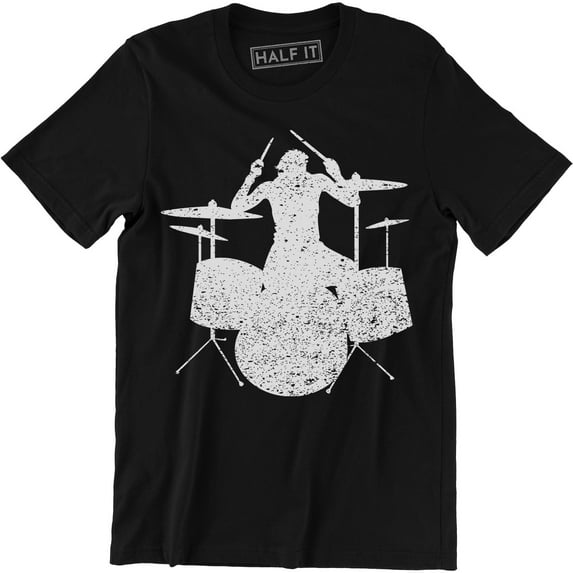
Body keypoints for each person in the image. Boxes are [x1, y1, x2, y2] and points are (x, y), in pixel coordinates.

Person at [232, 149, 359, 292]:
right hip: (283, 254)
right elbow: (237, 207)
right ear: (284, 169)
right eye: (294, 167)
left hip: (313, 250)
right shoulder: (271, 187)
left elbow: (353, 201)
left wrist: (337, 175)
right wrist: (251, 177)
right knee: (285, 291)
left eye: (302, 166)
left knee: (349, 271)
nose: (301, 172)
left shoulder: (316, 181)